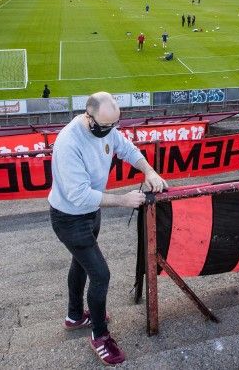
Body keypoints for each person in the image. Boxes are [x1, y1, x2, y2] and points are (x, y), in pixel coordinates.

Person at [48, 92, 168, 366]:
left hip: (90, 213)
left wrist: (149, 171)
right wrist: (123, 200)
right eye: (104, 126)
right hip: (70, 217)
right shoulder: (69, 142)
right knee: (101, 275)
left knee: (81, 265)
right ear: (88, 116)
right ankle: (99, 335)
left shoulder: (108, 128)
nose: (109, 131)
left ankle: (75, 316)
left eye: (114, 125)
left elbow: (127, 149)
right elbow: (79, 195)